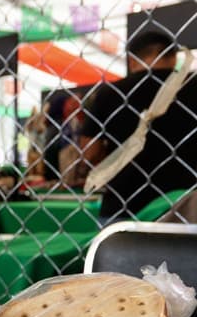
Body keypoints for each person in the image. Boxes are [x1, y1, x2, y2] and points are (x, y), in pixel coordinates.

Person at [79, 30, 197, 221]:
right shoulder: (193, 86)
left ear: (132, 61)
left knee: (119, 249)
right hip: (187, 204)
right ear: (174, 58)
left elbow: (90, 152)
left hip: (124, 203)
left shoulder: (111, 93)